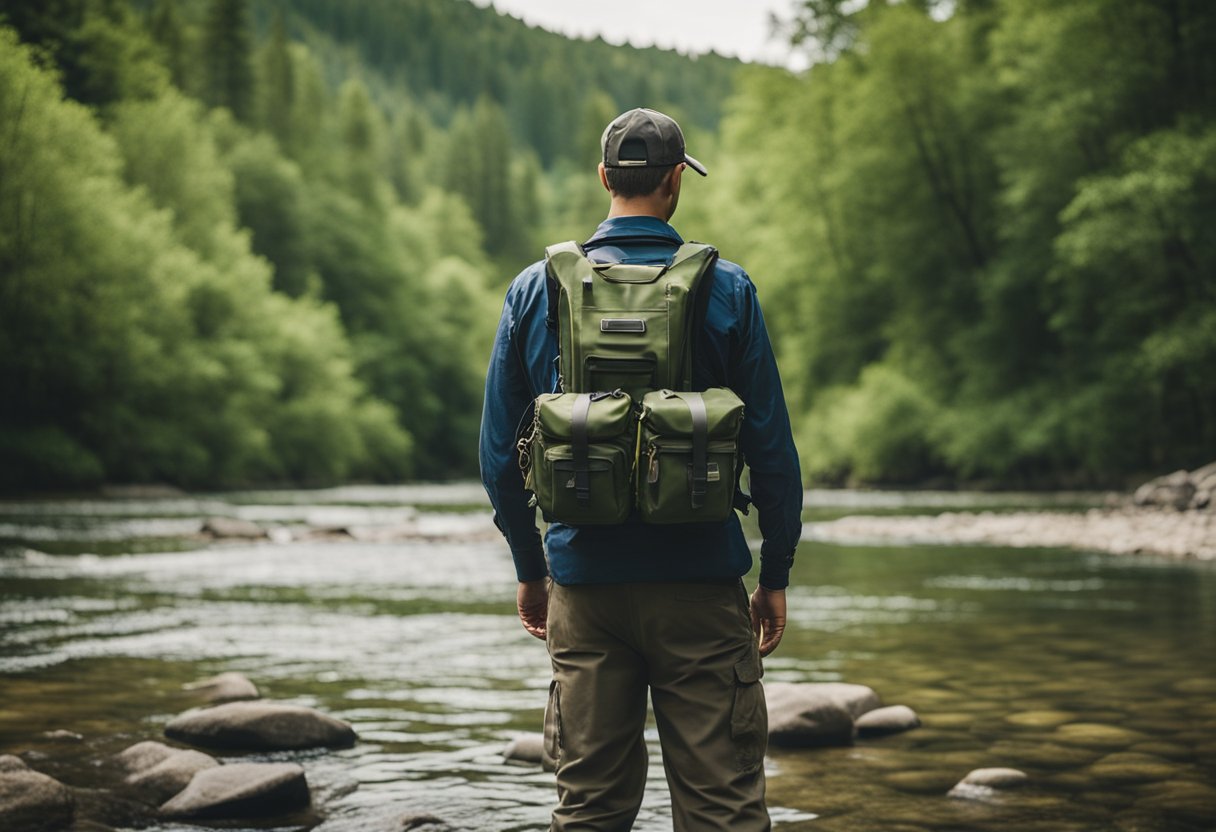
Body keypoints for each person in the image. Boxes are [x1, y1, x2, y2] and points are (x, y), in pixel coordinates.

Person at [479, 107, 802, 832]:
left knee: (590, 809)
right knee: (723, 808)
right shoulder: (729, 289)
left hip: (585, 589)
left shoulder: (536, 289)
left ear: (604, 178)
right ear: (675, 183)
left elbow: (500, 456)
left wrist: (531, 569)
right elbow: (773, 453)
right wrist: (774, 573)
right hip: (701, 586)